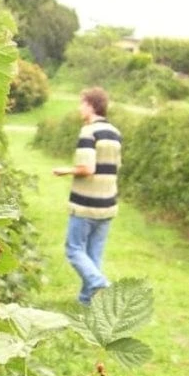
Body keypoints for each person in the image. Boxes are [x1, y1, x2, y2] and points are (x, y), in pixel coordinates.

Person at [52, 87, 121, 305]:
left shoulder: (88, 132)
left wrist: (65, 171)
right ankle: (86, 302)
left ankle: (101, 285)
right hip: (108, 204)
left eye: (81, 103)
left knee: (73, 250)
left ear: (91, 105)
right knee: (93, 256)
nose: (79, 108)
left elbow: (87, 168)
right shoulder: (115, 133)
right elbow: (114, 167)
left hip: (86, 204)